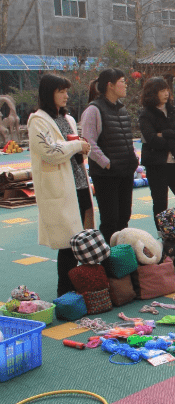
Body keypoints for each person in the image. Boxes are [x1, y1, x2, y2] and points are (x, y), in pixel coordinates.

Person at [28, 74, 92, 296]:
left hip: (80, 183)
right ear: (49, 93)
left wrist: (82, 147)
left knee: (82, 238)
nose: (66, 96)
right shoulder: (38, 120)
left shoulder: (69, 119)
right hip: (61, 188)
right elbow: (50, 151)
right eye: (61, 91)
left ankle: (80, 287)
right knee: (68, 243)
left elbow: (74, 147)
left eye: (66, 91)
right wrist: (76, 147)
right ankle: (64, 292)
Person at [81, 68, 139, 245]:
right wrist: (107, 164)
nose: (125, 84)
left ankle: (123, 258)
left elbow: (126, 139)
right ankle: (109, 260)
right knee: (110, 220)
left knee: (123, 217)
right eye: (122, 81)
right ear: (110, 85)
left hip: (125, 172)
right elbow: (88, 142)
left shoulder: (121, 109)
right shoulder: (94, 110)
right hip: (106, 175)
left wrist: (133, 159)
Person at [138, 77, 175, 223]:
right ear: (152, 93)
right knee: (160, 203)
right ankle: (162, 236)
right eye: (161, 90)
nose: (166, 93)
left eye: (166, 89)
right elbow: (152, 139)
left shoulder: (174, 111)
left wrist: (165, 134)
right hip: (156, 165)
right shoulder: (146, 114)